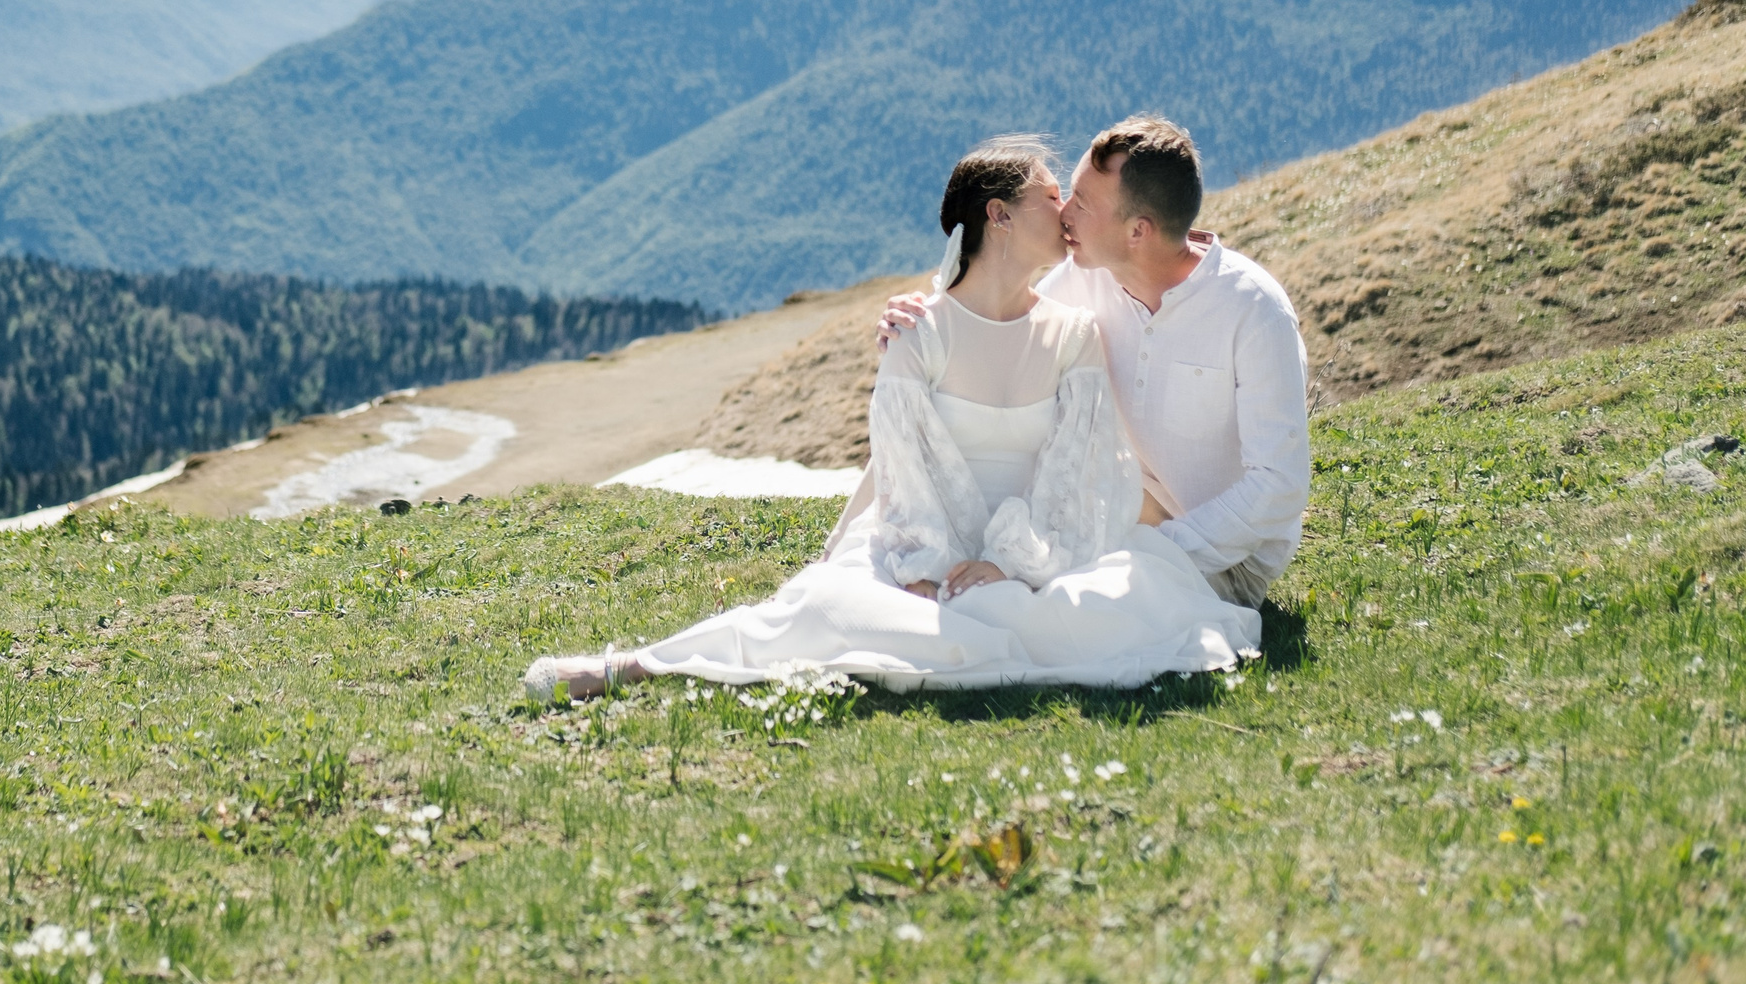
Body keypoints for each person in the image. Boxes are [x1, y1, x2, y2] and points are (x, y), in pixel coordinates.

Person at [522, 136, 1258, 702]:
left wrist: (1010, 560)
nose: (1066, 212)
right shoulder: (921, 332)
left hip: (1034, 551)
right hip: (925, 550)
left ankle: (980, 600)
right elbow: (904, 472)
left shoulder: (1072, 334)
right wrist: (927, 570)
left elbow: (1077, 470)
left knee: (1086, 613)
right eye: (1048, 195)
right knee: (823, 608)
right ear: (998, 216)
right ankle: (633, 664)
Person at [892, 116, 1309, 610]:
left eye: (1083, 204)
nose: (1064, 213)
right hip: (1118, 516)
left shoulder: (1253, 309)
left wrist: (1154, 553)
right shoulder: (1087, 278)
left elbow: (1277, 485)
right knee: (1002, 583)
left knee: (1054, 606)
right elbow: (1000, 324)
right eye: (1069, 194)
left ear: (1138, 230)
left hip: (1223, 558)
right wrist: (919, 321)